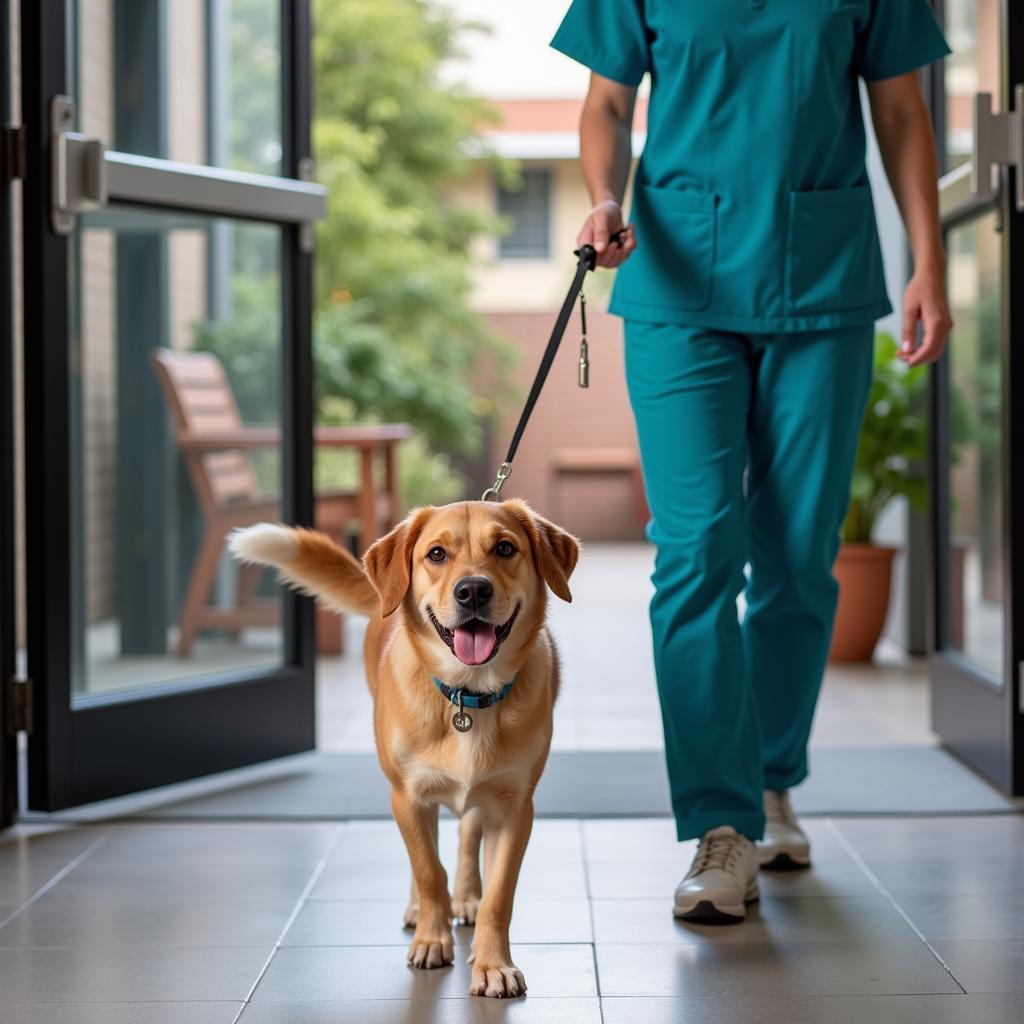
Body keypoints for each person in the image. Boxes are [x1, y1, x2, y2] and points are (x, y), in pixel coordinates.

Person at [551, 0, 952, 922]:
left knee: (799, 557)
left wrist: (928, 261)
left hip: (824, 275)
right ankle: (720, 824)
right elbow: (606, 101)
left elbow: (899, 110)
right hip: (678, 280)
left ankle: (771, 782)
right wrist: (605, 194)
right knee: (694, 555)